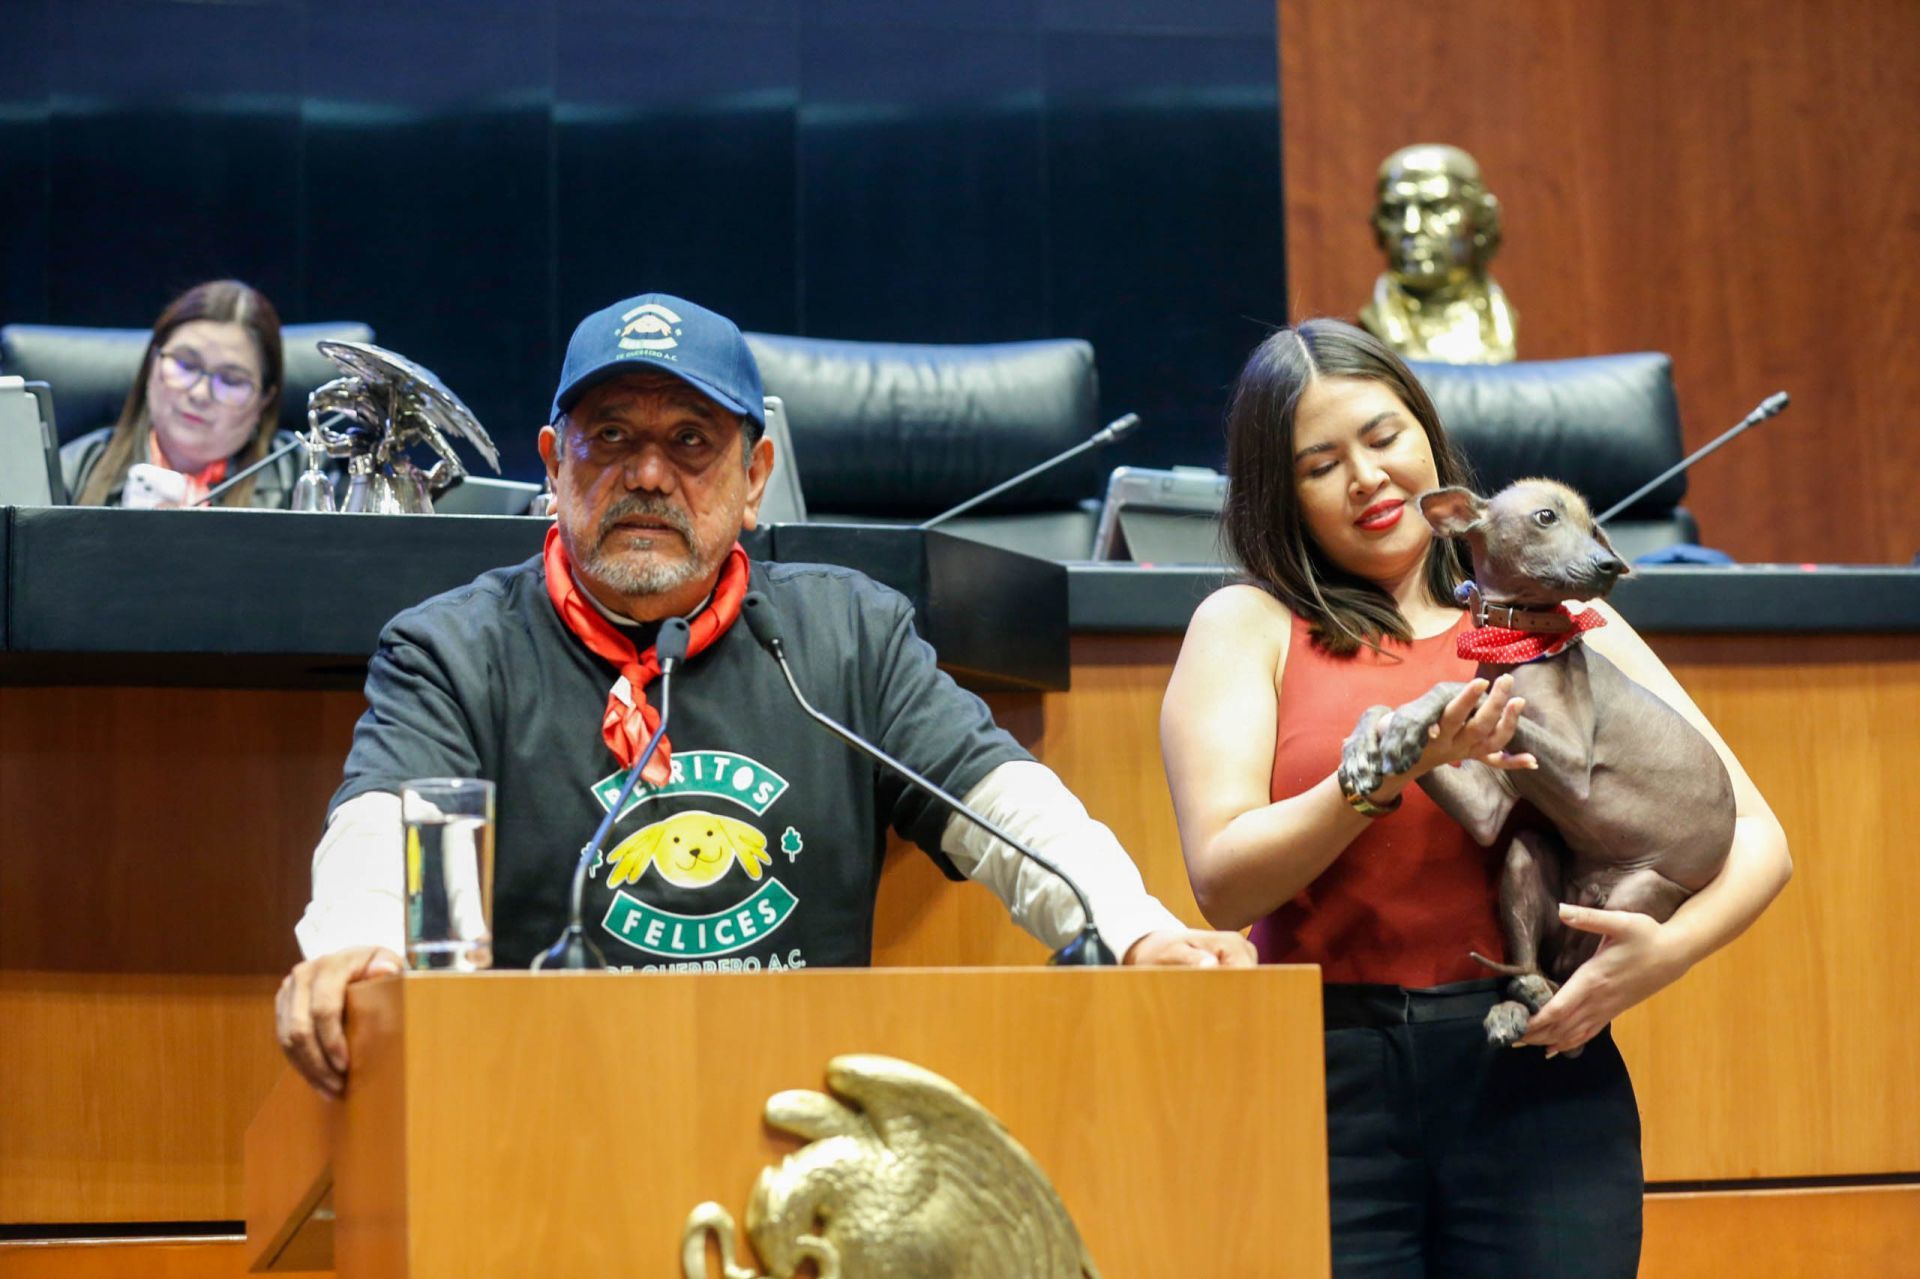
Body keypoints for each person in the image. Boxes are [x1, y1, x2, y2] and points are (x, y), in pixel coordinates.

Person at [277, 291, 1254, 1096]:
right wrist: (358, 950)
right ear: (553, 466)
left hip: (802, 1113)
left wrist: (1133, 929)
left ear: (756, 479)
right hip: (543, 1105)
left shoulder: (846, 637)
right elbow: (382, 830)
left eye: (692, 441)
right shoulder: (452, 649)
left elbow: (1002, 806)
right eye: (610, 435)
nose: (648, 473)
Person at [1159, 319, 1790, 1277]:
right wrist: (1381, 773)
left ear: (1430, 439)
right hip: (1325, 1082)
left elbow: (1758, 836)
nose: (1368, 478)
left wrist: (1657, 959)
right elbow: (1223, 883)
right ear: (1277, 496)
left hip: (1535, 1076)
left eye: (1383, 437)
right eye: (1319, 463)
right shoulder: (1246, 625)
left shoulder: (1566, 618)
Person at [62, 278, 299, 508]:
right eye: (185, 365)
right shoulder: (71, 470)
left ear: (264, 401)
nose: (200, 394)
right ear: (152, 364)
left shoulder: (302, 476)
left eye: (230, 380)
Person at [1357, 144, 1518, 365]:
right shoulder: (1372, 326)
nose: (1411, 227)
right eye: (1394, 212)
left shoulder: (1502, 322)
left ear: (1482, 220)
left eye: (1436, 208)